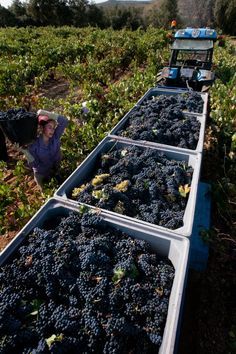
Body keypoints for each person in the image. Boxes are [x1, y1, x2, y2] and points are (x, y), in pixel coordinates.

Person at [22, 109, 69, 189]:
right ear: (42, 128)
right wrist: (25, 152)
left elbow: (64, 121)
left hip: (56, 169)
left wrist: (45, 113)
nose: (53, 130)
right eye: (49, 127)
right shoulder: (34, 145)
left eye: (54, 128)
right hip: (42, 175)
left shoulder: (55, 137)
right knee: (46, 194)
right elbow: (34, 164)